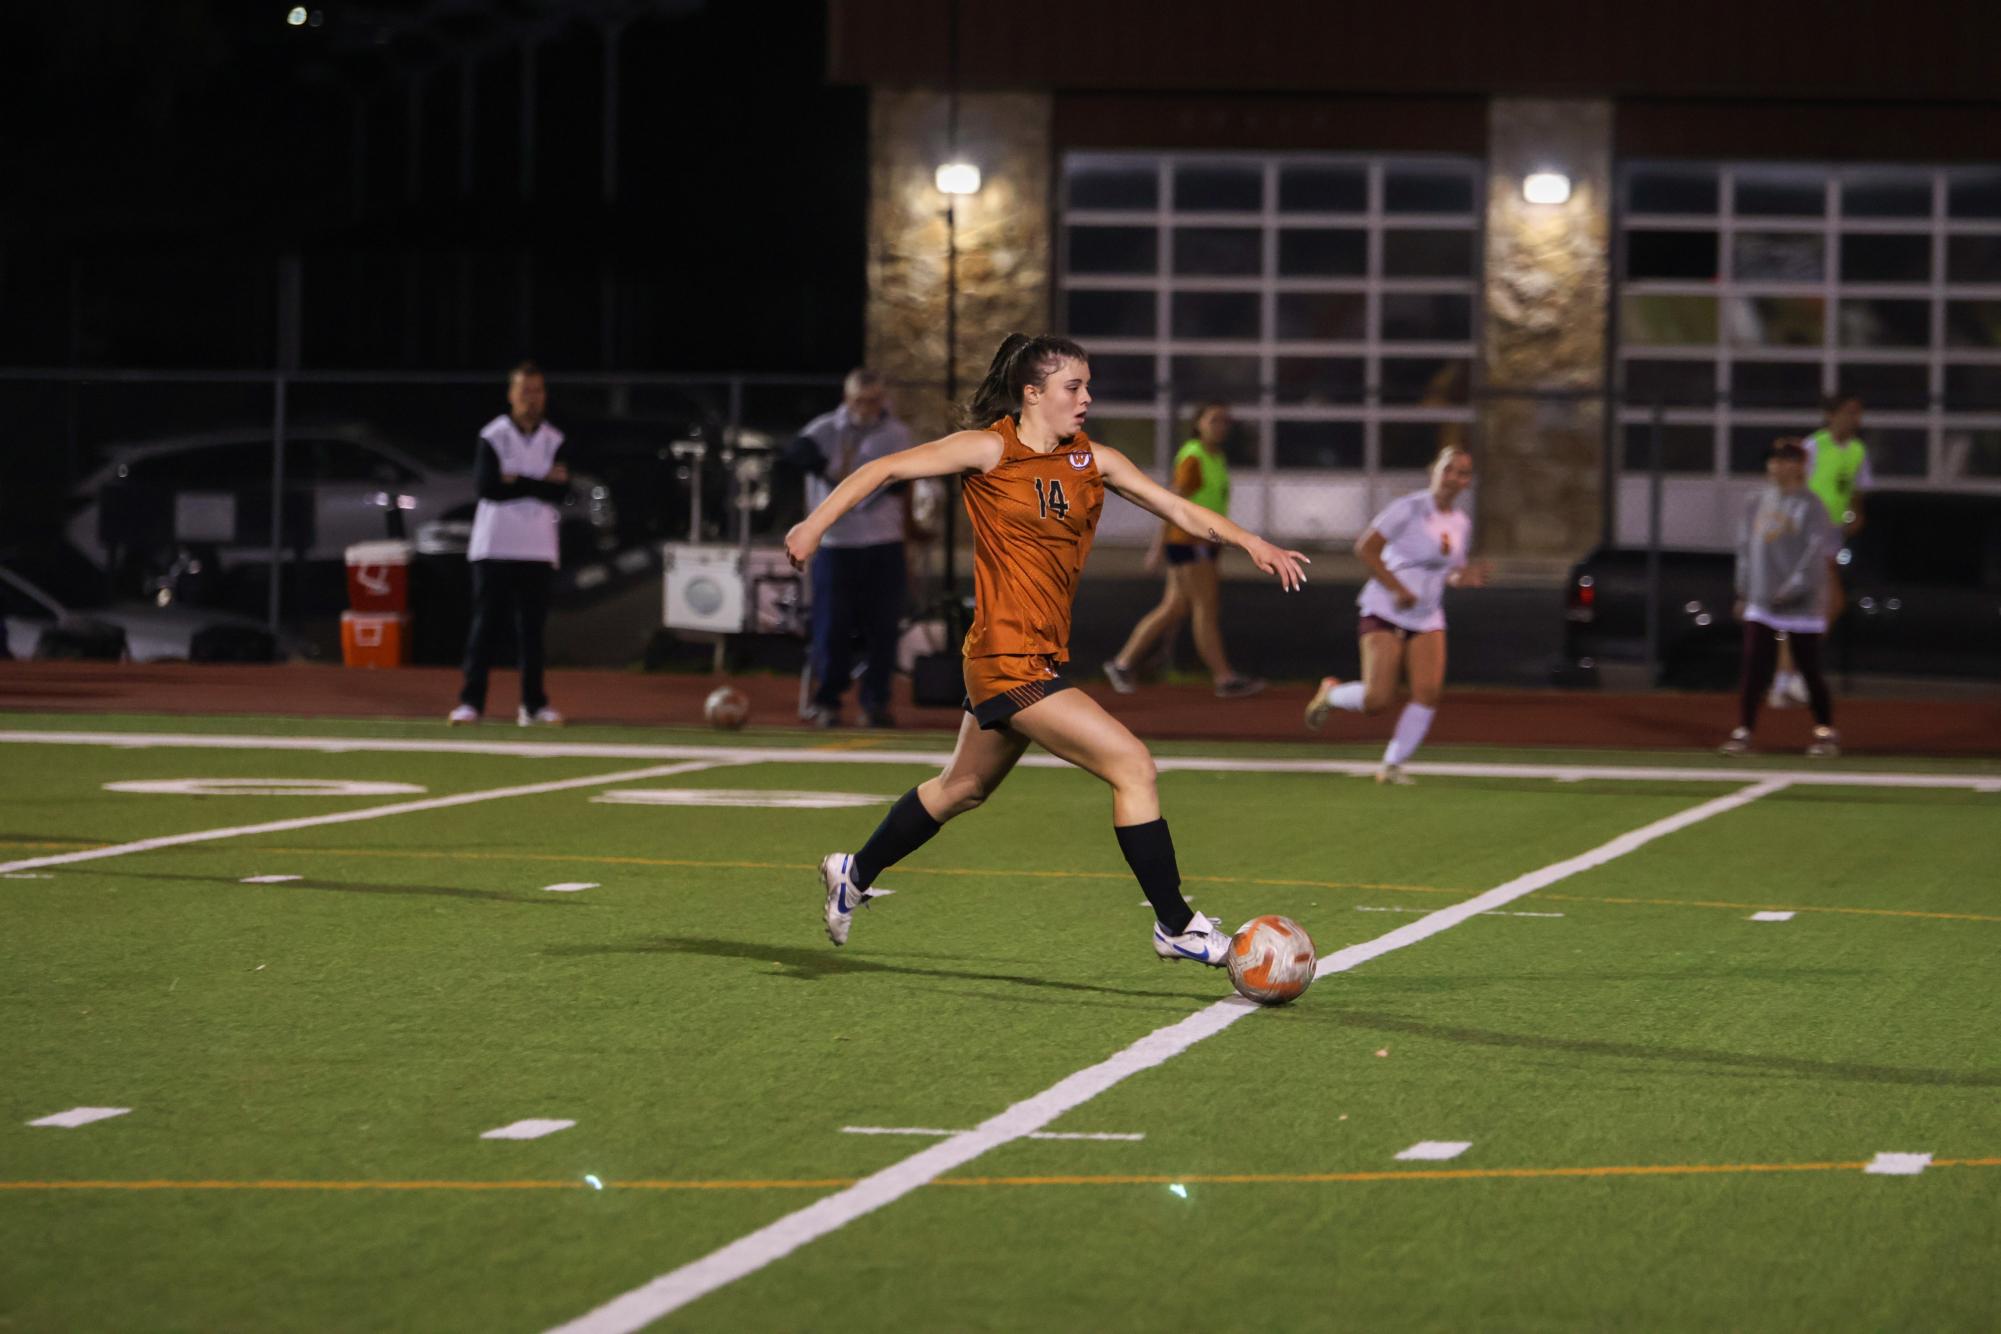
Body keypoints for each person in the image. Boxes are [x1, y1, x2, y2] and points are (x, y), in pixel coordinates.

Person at [783, 333, 1309, 968]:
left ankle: (854, 870)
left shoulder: (1095, 460)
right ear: (1033, 394)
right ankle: (1176, 923)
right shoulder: (990, 449)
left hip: (1037, 657)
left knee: (962, 788)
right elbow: (884, 468)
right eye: (1073, 387)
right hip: (1005, 660)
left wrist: (1252, 542)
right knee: (1133, 765)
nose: (1086, 399)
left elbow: (1177, 507)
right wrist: (814, 526)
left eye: (1088, 386)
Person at [1302, 445, 1490, 784]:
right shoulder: (1409, 509)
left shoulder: (1461, 522)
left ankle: (1391, 765)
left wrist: (1465, 577)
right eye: (1448, 469)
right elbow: (1366, 549)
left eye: (1462, 473)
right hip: (1386, 608)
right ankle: (1330, 694)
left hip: (1427, 615)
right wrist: (1397, 588)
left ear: (1467, 482)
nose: (1454, 478)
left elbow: (1450, 570)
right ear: (1434, 470)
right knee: (1377, 701)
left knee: (1428, 692)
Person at [1102, 402, 1265, 699]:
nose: (1221, 426)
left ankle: (1122, 663)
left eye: (1224, 421)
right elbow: (1173, 503)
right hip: (1189, 543)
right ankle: (1224, 677)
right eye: (1214, 420)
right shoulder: (1193, 457)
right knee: (1205, 608)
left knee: (1175, 608)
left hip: (1203, 544)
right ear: (1198, 423)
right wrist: (1158, 547)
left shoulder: (1216, 456)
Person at [787, 369, 914, 727]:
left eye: (873, 400)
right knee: (832, 625)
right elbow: (794, 453)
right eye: (860, 400)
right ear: (847, 399)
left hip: (882, 542)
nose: (866, 408)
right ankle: (828, 698)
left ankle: (875, 701)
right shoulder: (827, 429)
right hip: (837, 544)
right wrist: (827, 469)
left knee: (883, 626)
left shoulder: (895, 434)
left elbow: (902, 484)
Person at [448, 361, 570, 726]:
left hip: (538, 547)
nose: (531, 399)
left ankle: (533, 705)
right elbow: (488, 488)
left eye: (537, 391)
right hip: (495, 545)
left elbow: (561, 490)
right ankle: (471, 702)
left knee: (532, 632)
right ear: (511, 395)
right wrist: (538, 482)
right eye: (524, 391)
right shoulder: (494, 435)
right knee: (485, 627)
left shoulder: (555, 438)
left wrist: (517, 480)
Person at [1720, 438, 1843, 758]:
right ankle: (1744, 730)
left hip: (1800, 604)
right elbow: (1745, 550)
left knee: (1809, 668)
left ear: (1800, 465)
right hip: (1762, 601)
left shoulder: (1812, 506)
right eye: (1773, 459)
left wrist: (1790, 590)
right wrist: (1744, 591)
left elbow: (1814, 556)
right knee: (1754, 667)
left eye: (1785, 459)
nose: (1776, 465)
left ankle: (1825, 731)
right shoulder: (1755, 501)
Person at [1769, 391, 1871, 707]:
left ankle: (1785, 679)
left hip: (1831, 536)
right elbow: (1788, 483)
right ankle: (1793, 675)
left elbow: (1855, 490)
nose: (1854, 419)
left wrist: (1856, 513)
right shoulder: (1814, 446)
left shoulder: (1856, 450)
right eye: (1849, 412)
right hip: (1808, 534)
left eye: (1858, 412)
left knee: (1811, 609)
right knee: (1831, 603)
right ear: (1831, 415)